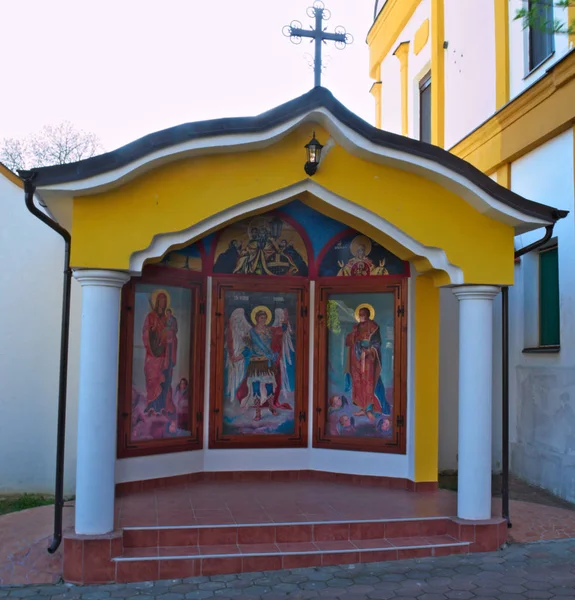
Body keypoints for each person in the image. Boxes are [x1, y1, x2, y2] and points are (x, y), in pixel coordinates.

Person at [228, 307, 292, 421]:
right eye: (261, 317)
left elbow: (282, 329)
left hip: (267, 363)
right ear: (256, 318)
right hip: (255, 364)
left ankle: (272, 407)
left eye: (265, 318)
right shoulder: (250, 333)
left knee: (269, 387)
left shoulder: (270, 330)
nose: (264, 320)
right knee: (256, 388)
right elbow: (247, 349)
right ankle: (258, 413)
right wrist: (237, 358)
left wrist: (285, 319)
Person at [345, 307, 390, 421]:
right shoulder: (357, 327)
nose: (361, 317)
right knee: (359, 383)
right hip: (357, 359)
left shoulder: (374, 327)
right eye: (359, 315)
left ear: (368, 314)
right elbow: (349, 342)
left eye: (363, 315)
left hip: (369, 359)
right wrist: (353, 335)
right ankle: (362, 408)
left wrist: (368, 351)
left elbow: (377, 344)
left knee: (368, 383)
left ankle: (370, 409)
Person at [142, 292, 177, 414]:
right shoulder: (151, 316)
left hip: (164, 355)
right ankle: (151, 405)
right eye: (160, 300)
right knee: (153, 379)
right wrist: (152, 330)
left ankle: (162, 406)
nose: (162, 303)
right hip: (153, 355)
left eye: (164, 301)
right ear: (157, 302)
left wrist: (168, 335)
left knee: (163, 380)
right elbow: (146, 333)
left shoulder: (167, 319)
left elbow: (172, 333)